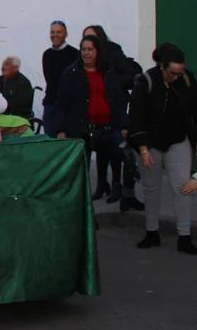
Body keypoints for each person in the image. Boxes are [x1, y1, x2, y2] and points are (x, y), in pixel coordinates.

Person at [127, 43, 197, 254]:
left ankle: (184, 235)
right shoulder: (146, 82)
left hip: (178, 139)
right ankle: (151, 232)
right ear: (162, 67)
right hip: (150, 142)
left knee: (182, 186)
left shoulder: (187, 79)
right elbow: (136, 117)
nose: (176, 77)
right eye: (172, 73)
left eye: (179, 73)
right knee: (151, 188)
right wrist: (143, 148)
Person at [55, 33, 139, 210]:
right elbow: (62, 103)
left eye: (90, 49)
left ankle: (126, 196)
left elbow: (117, 100)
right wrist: (61, 130)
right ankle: (82, 209)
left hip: (107, 128)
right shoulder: (71, 73)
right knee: (80, 172)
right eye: (84, 49)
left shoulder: (107, 72)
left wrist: (123, 125)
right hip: (81, 129)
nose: (86, 53)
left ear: (97, 52)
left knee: (125, 157)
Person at [41, 20, 77, 137]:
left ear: (65, 34)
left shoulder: (74, 54)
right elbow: (49, 79)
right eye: (52, 32)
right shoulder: (47, 55)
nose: (55, 35)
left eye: (58, 32)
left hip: (68, 108)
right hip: (50, 104)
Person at [0, 56, 35, 121]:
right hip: (0, 113)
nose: (3, 67)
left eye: (7, 65)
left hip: (17, 118)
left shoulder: (23, 83)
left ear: (15, 68)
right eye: (3, 64)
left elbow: (16, 105)